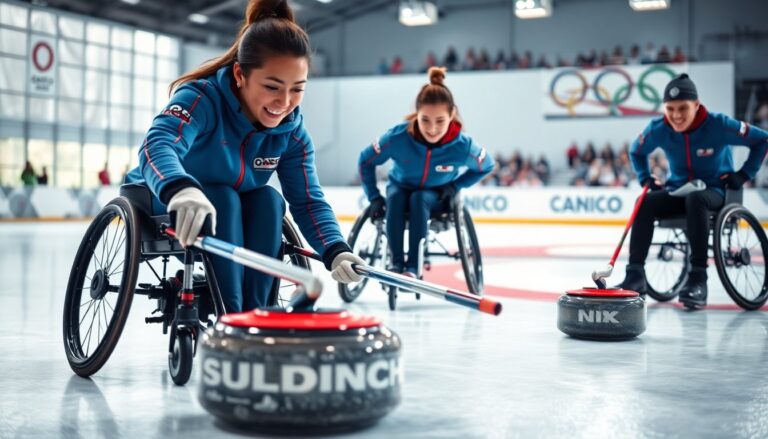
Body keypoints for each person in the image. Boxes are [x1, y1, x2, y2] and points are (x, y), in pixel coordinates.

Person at [124, 0, 364, 313]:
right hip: (163, 194)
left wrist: (337, 250)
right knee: (222, 197)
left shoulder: (292, 133)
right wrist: (180, 188)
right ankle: (232, 316)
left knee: (268, 200)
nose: (285, 101)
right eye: (272, 87)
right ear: (240, 74)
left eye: (297, 89)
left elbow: (307, 200)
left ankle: (257, 314)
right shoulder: (201, 98)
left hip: (231, 204)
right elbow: (158, 144)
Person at [616, 74, 768, 309]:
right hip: (679, 192)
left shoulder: (719, 125)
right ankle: (635, 275)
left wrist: (744, 174)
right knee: (643, 201)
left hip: (715, 193)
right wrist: (646, 178)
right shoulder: (659, 129)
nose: (676, 116)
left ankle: (698, 277)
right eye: (670, 109)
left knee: (696, 199)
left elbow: (762, 140)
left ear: (696, 106)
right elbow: (636, 151)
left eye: (683, 108)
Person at [358, 67, 494, 277]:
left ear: (452, 116)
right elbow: (365, 160)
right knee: (394, 197)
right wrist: (374, 197)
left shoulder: (463, 146)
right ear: (417, 115)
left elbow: (487, 165)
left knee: (419, 198)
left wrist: (455, 186)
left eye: (440, 121)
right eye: (425, 120)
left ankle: (413, 268)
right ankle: (395, 264)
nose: (432, 129)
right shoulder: (397, 138)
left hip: (437, 193)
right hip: (400, 187)